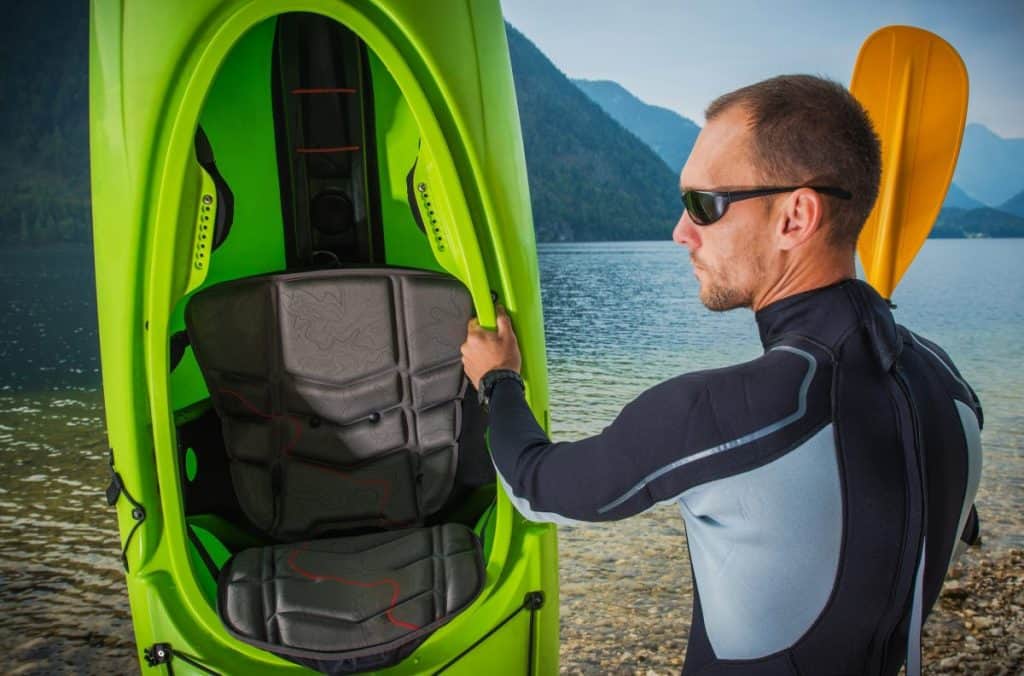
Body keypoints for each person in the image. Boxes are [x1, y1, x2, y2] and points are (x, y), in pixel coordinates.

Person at [460, 75, 982, 676]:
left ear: (795, 217)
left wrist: (499, 380)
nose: (680, 232)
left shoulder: (722, 413)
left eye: (704, 204)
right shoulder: (951, 388)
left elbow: (535, 487)